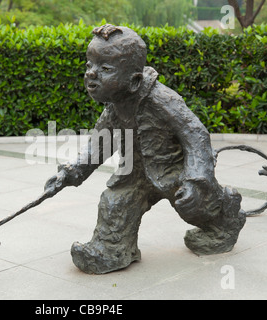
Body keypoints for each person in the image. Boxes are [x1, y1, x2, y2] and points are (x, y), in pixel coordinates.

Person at [44, 24, 246, 274]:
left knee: (196, 207)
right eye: (89, 65)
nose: (91, 75)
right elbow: (99, 145)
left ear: (134, 80)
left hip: (176, 172)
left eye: (105, 69)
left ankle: (226, 214)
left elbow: (196, 136)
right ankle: (111, 250)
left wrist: (196, 180)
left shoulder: (162, 99)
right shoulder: (114, 107)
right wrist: (71, 172)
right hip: (135, 175)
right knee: (114, 202)